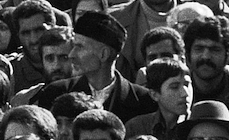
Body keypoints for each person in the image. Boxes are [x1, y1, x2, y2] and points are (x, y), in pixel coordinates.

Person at [28, 11, 157, 123]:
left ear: (103, 54)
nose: (71, 55)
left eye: (79, 47)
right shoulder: (55, 93)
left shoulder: (143, 102)